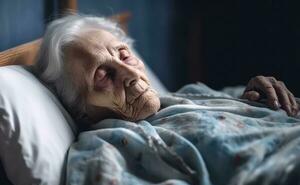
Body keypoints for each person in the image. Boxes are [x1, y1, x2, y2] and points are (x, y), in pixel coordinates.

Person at [34, 14, 299, 127]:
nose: (130, 74)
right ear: (82, 112)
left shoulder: (190, 94)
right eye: (102, 75)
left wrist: (251, 104)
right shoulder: (109, 154)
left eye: (124, 55)